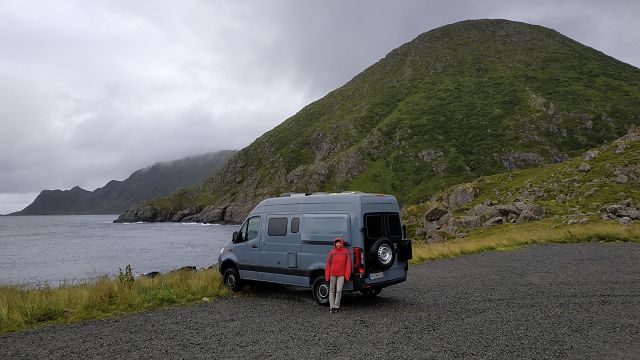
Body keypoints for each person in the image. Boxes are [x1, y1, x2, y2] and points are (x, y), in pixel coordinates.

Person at [325, 237, 351, 313]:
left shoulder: (346, 251)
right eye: (337, 243)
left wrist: (347, 275)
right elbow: (328, 264)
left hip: (341, 275)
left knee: (339, 290)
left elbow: (348, 264)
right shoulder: (332, 252)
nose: (338, 244)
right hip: (332, 274)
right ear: (335, 244)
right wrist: (327, 275)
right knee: (332, 290)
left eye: (339, 242)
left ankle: (337, 306)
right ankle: (332, 307)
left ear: (341, 243)